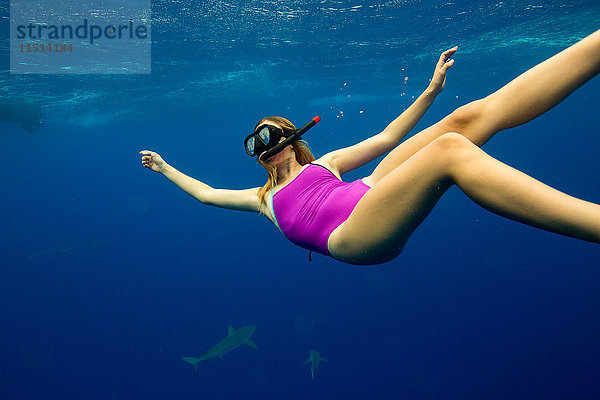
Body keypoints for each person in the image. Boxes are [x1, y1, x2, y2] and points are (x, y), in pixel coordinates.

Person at [141, 29, 600, 265]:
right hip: (352, 237)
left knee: (462, 120)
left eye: (270, 134)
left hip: (368, 189)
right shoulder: (263, 201)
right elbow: (205, 194)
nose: (263, 145)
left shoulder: (327, 164)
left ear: (290, 139)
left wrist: (432, 91)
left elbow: (385, 139)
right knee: (450, 152)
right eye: (255, 141)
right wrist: (164, 168)